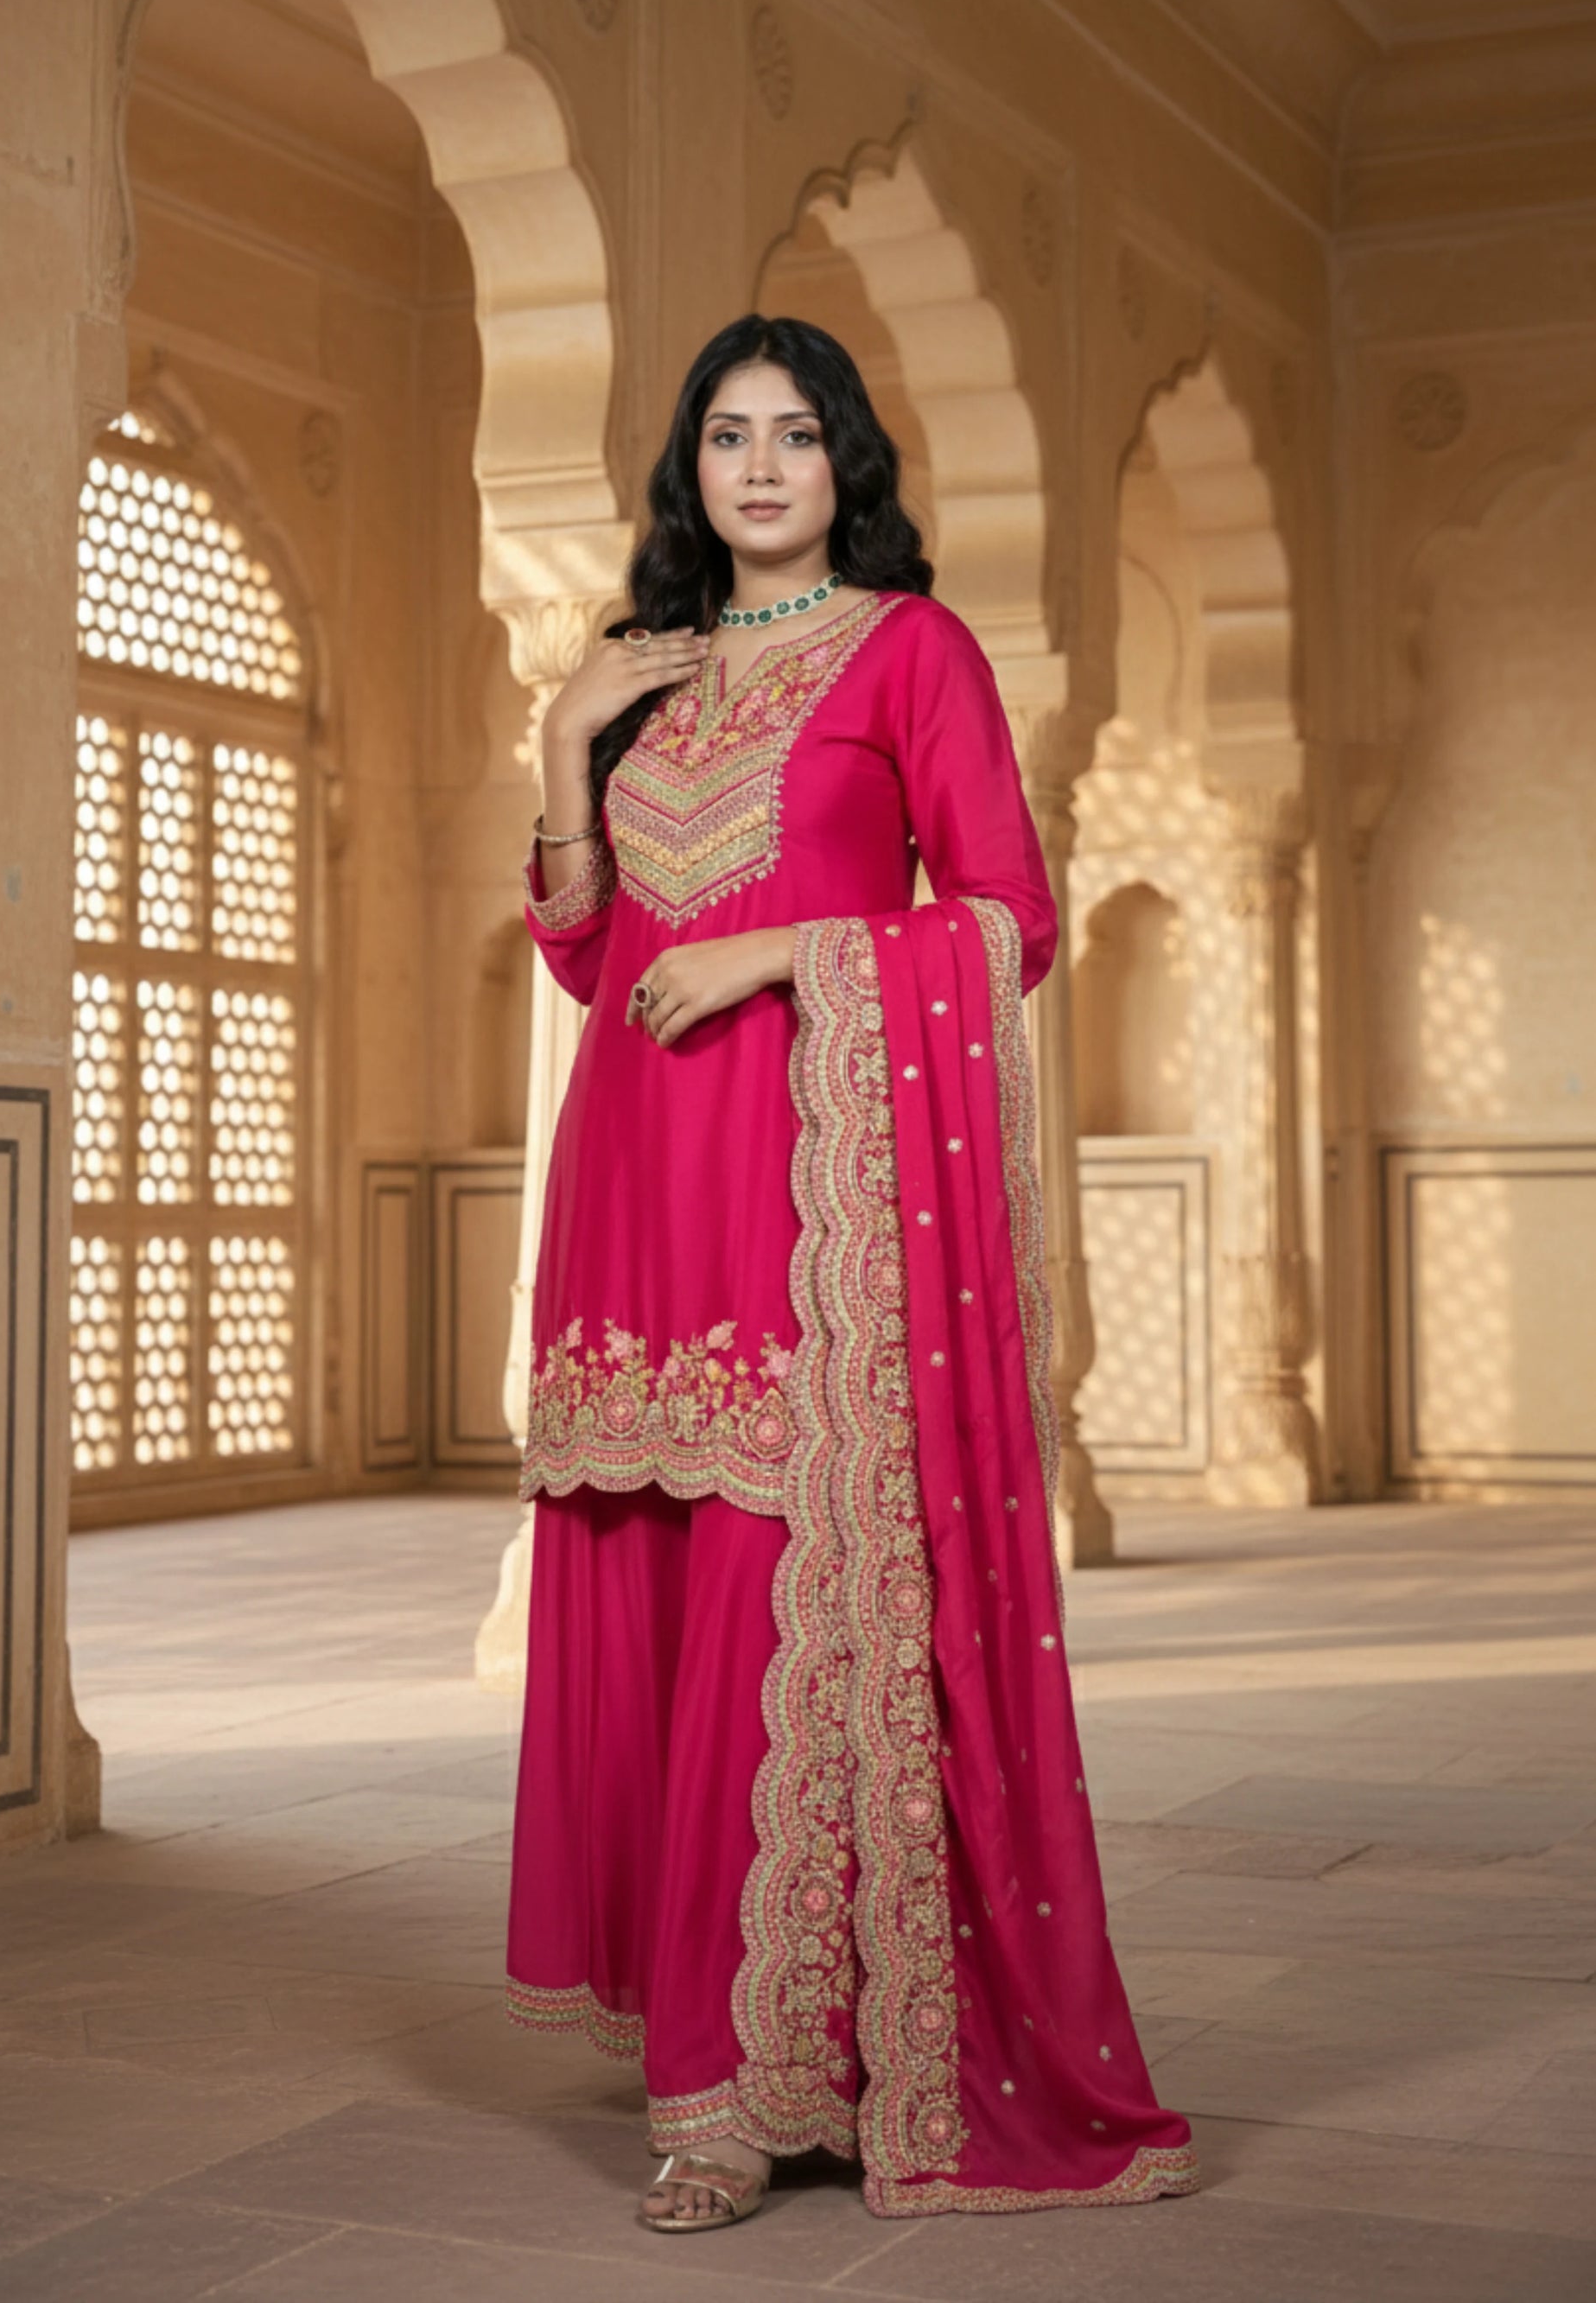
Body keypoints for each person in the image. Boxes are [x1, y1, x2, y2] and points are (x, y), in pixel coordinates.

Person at [505, 313, 1198, 2231]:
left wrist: (783, 955)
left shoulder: (915, 651)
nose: (755, 468)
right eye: (725, 436)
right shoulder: (640, 677)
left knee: (774, 1594)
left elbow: (1006, 918)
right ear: (690, 467)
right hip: (632, 1187)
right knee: (654, 1601)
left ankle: (745, 2089)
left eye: (794, 436)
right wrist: (570, 738)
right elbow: (581, 943)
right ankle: (700, 2037)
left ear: (847, 464)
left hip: (807, 1204)